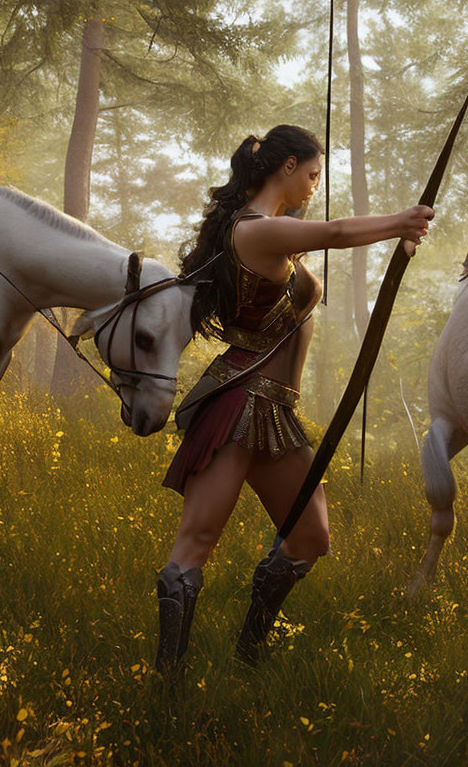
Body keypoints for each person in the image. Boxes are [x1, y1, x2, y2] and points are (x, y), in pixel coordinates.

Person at [155, 124, 434, 672]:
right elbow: (333, 233)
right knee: (196, 541)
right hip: (237, 404)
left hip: (274, 410)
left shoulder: (274, 231)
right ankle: (167, 682)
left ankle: (248, 651)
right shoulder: (254, 230)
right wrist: (399, 220)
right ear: (286, 168)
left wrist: (398, 244)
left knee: (309, 535)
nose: (313, 185)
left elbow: (320, 243)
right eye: (311, 175)